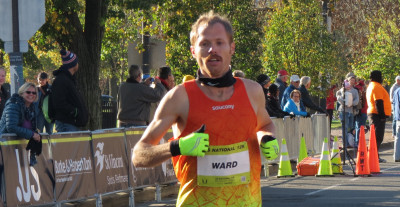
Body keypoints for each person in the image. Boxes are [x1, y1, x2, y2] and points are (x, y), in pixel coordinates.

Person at [132, 11, 279, 206]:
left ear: (231, 48)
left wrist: (267, 137)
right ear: (193, 51)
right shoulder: (179, 97)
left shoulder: (252, 91)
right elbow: (139, 155)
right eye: (204, 44)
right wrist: (178, 146)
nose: (212, 50)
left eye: (220, 42)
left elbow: (265, 123)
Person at [0, 82, 42, 165]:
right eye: (28, 92)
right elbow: (11, 126)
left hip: (17, 147)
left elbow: (30, 128)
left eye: (34, 93)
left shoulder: (32, 107)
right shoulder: (13, 104)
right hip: (4, 145)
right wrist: (32, 134)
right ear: (21, 93)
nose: (31, 94)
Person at [51, 49, 88, 132]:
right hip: (66, 124)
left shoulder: (69, 80)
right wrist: (75, 112)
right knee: (69, 145)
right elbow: (59, 103)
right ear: (73, 64)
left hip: (72, 123)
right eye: (77, 62)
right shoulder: (61, 80)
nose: (78, 64)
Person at [366, 70, 391, 163]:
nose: (382, 78)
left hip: (374, 113)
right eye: (381, 76)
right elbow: (378, 102)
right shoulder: (376, 86)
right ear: (377, 77)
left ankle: (374, 155)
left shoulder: (372, 85)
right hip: (376, 114)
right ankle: (373, 156)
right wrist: (382, 116)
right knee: (378, 136)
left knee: (376, 136)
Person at [336, 80, 358, 147]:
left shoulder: (354, 91)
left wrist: (351, 103)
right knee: (344, 128)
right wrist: (345, 102)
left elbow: (357, 100)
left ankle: (350, 142)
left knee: (351, 128)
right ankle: (345, 144)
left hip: (351, 111)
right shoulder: (340, 91)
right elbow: (339, 98)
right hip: (343, 111)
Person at [354, 80, 368, 148]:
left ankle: (358, 141)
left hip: (360, 111)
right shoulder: (362, 91)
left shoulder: (358, 89)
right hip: (362, 111)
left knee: (358, 127)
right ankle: (359, 142)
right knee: (360, 127)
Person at [391, 85, 400, 162]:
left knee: (398, 137)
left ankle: (397, 156)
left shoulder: (396, 91)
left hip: (397, 117)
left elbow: (394, 104)